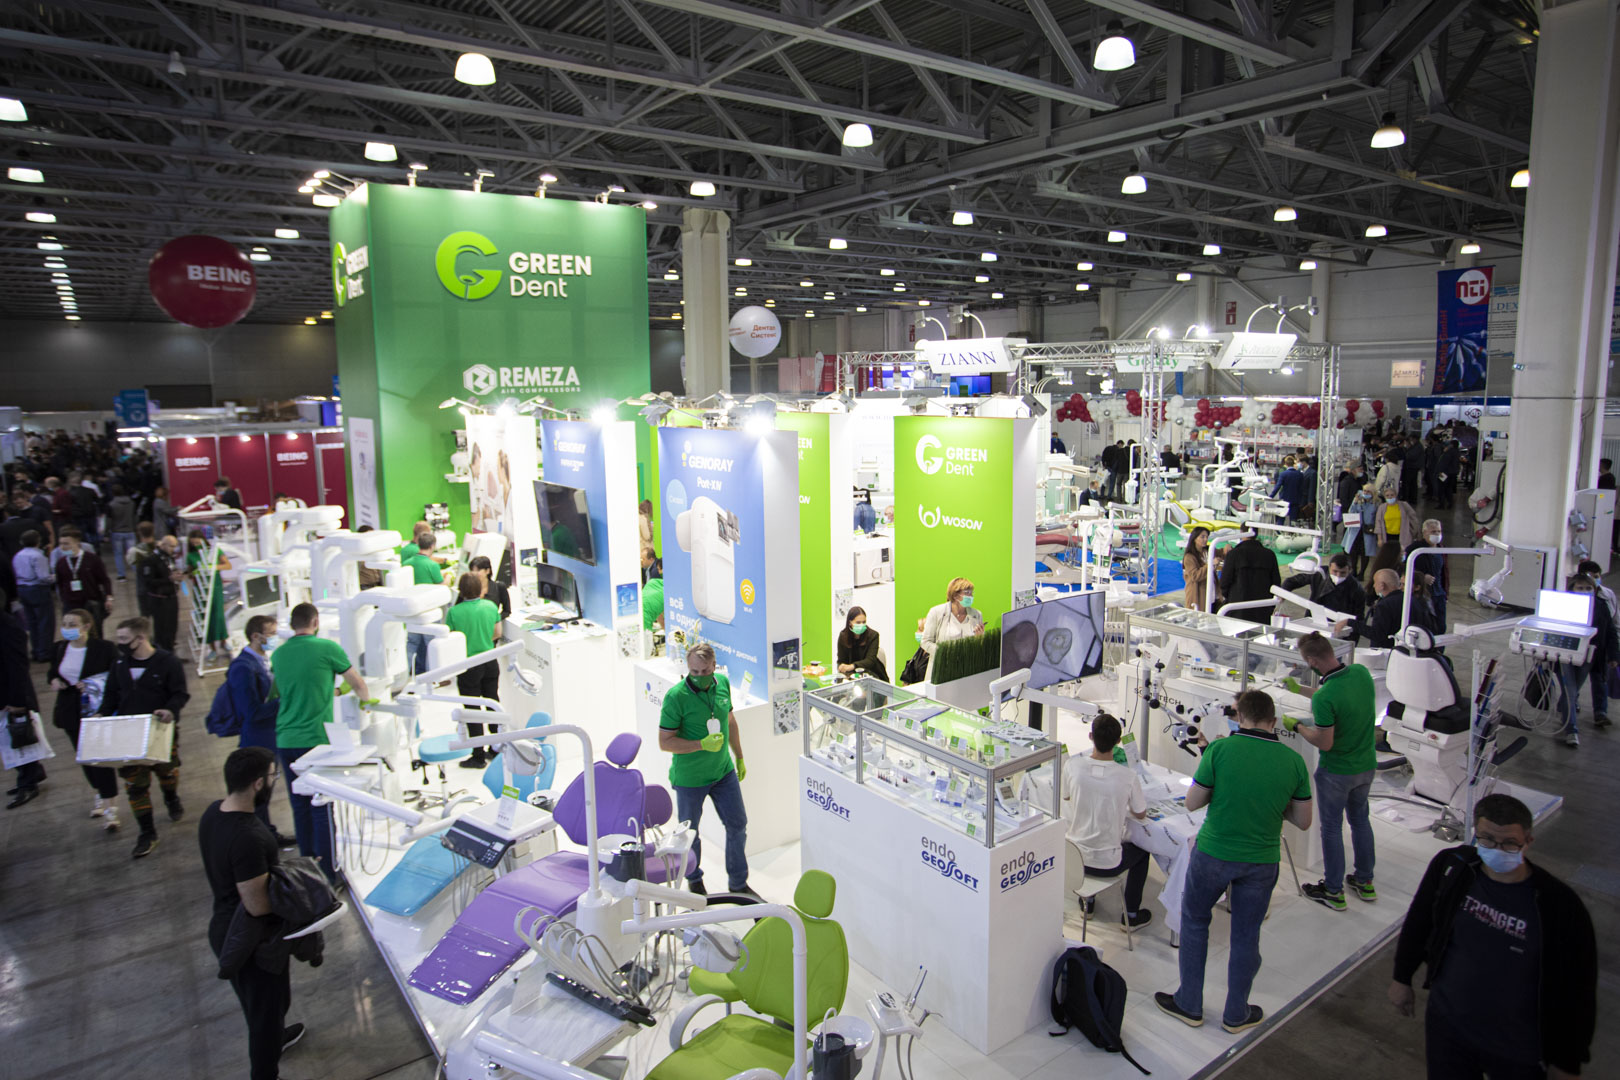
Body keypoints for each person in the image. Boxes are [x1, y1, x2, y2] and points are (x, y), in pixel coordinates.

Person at [1389, 793, 1596, 1080]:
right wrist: (1402, 977)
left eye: (1509, 843)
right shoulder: (1454, 868)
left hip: (1518, 1047)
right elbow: (1420, 920)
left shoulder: (1557, 904)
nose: (1497, 849)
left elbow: (1578, 986)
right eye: (1487, 839)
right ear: (1476, 834)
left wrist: (1568, 1061)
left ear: (1528, 841)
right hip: (1449, 1030)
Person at [1156, 690, 1312, 1034]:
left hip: (1213, 853)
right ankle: (1236, 1013)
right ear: (1273, 721)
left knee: (1195, 922)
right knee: (1246, 935)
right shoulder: (1294, 762)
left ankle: (1189, 1004)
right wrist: (1273, 805)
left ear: (1239, 717)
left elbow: (1192, 803)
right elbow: (1303, 820)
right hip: (1261, 860)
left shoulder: (1220, 750)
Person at [197, 746, 305, 1080]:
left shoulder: (213, 813)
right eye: (273, 776)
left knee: (267, 1004)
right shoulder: (248, 837)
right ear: (258, 783)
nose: (275, 781)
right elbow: (257, 904)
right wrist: (299, 897)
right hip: (250, 941)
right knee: (263, 1016)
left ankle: (276, 1037)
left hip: (225, 926)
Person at [271, 602, 368, 879]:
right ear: (315, 622)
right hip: (315, 740)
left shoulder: (278, 654)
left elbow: (287, 690)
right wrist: (367, 705)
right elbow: (358, 683)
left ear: (292, 625)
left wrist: (330, 692)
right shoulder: (327, 648)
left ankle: (307, 869)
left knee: (299, 806)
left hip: (286, 738)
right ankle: (327, 873)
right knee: (321, 805)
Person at [1284, 632, 1378, 911]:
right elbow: (1337, 697)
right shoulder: (1360, 673)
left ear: (1312, 661)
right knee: (1360, 821)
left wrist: (1298, 727)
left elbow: (1324, 741)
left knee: (1332, 829)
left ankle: (1333, 890)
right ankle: (1365, 881)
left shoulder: (1326, 697)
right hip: (1366, 765)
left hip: (1337, 771)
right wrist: (1299, 689)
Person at [659, 643, 749, 896]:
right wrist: (701, 744)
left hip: (723, 772)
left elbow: (730, 721)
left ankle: (738, 884)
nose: (699, 677)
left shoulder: (723, 684)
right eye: (694, 672)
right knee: (690, 834)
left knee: (738, 825)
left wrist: (739, 756)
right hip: (690, 778)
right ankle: (694, 879)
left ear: (714, 666)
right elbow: (665, 742)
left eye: (705, 671)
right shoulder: (676, 697)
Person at [99, 616, 190, 857]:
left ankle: (171, 797)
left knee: (167, 773)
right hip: (128, 735)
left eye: (124, 639)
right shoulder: (119, 664)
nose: (120, 643)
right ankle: (147, 832)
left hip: (160, 733)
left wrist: (170, 710)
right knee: (135, 786)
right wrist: (101, 715)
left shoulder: (168, 662)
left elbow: (180, 693)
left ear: (140, 638)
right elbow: (111, 694)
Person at [1062, 713, 1152, 928]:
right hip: (1108, 863)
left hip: (1074, 857)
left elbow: (1067, 796)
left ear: (1090, 736)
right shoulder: (1127, 777)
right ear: (1118, 742)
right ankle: (1131, 915)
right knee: (1143, 851)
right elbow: (1140, 813)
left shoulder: (1072, 766)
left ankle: (1088, 902)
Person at [47, 609, 121, 826]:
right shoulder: (60, 648)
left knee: (99, 757)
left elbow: (117, 674)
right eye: (65, 624)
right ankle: (98, 792)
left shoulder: (104, 648)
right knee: (84, 756)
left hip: (95, 708)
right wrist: (54, 680)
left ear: (87, 626)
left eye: (72, 624)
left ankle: (110, 805)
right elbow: (53, 671)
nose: (67, 628)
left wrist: (93, 684)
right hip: (70, 710)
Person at [227, 615, 292, 845]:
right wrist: (284, 701)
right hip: (257, 738)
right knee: (258, 793)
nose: (274, 638)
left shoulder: (262, 661)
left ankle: (267, 835)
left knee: (264, 792)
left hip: (269, 735)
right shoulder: (243, 668)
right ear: (256, 636)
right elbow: (251, 711)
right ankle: (262, 840)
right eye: (271, 634)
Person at [445, 572, 503, 769]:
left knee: (472, 710)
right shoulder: (491, 606)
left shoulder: (454, 612)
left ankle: (478, 755)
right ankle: (496, 748)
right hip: (490, 661)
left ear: (461, 590)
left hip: (468, 665)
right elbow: (498, 633)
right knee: (492, 703)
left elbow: (450, 639)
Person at [1554, 573, 1617, 748]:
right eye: (1580, 588)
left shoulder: (1601, 606)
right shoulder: (1562, 604)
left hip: (1589, 655)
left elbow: (1610, 631)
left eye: (1588, 588)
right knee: (1570, 691)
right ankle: (1571, 730)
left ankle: (1565, 712)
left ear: (1594, 590)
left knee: (1573, 690)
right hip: (1565, 653)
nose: (1584, 591)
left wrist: (1613, 656)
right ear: (1572, 589)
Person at [3, 608, 46, 809]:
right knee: (10, 738)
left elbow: (18, 666)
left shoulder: (8, 627)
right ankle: (32, 773)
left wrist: (18, 700)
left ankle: (28, 784)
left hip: (11, 696)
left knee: (21, 738)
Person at [1336, 568, 1430, 649]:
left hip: (1387, 651)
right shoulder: (1412, 600)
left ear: (1382, 585)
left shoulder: (1384, 605)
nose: (1373, 586)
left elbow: (1377, 634)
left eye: (1375, 582)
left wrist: (1350, 622)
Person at [919, 577, 985, 679]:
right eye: (967, 593)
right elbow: (925, 642)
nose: (971, 596)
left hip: (966, 670)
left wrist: (980, 638)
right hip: (942, 670)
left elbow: (979, 648)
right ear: (955, 595)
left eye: (972, 593)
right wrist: (945, 653)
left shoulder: (976, 614)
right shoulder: (936, 612)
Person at [54, 526, 112, 637]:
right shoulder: (61, 563)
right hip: (71, 604)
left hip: (90, 602)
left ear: (77, 542)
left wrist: (109, 597)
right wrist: (63, 600)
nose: (63, 547)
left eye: (66, 544)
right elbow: (60, 583)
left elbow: (104, 579)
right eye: (61, 544)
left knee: (95, 633)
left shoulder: (92, 559)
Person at [1217, 531, 1281, 624]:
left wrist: (1231, 597)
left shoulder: (1233, 554)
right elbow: (1276, 582)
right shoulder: (1269, 554)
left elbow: (1224, 582)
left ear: (1242, 533)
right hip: (1262, 607)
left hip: (1237, 607)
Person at [1282, 551, 1365, 623]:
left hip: (1339, 624)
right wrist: (1282, 593)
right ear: (1329, 567)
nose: (1338, 575)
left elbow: (1359, 617)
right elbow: (1293, 581)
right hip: (1314, 617)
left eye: (1343, 573)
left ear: (1350, 570)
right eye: (1335, 571)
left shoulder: (1357, 589)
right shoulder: (1319, 574)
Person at [403, 534, 445, 675]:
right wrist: (448, 579)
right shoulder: (432, 565)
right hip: (429, 610)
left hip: (411, 610)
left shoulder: (407, 563)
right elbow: (441, 586)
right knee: (431, 644)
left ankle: (405, 674)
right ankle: (431, 676)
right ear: (432, 546)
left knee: (411, 643)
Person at [187, 529, 231, 662]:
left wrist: (212, 567)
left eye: (198, 542)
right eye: (193, 544)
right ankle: (212, 648)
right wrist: (195, 572)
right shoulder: (190, 556)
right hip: (201, 589)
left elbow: (227, 565)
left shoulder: (215, 552)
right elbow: (189, 573)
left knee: (219, 615)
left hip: (215, 586)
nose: (196, 546)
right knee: (206, 618)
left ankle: (223, 641)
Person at [13, 529, 55, 662]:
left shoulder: (18, 555)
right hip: (37, 589)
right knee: (44, 622)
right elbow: (43, 577)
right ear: (38, 541)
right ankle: (44, 652)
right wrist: (55, 577)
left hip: (22, 589)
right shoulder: (38, 556)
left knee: (32, 622)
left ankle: (36, 650)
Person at [1366, 485, 1417, 588]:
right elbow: (1378, 523)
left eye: (1392, 495)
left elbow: (1413, 518)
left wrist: (1414, 532)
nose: (1390, 497)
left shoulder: (1404, 506)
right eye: (1387, 495)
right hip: (1388, 536)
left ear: (1396, 495)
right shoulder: (1382, 508)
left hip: (1402, 536)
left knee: (1403, 556)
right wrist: (1380, 538)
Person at [1405, 519, 1451, 633]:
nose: (1437, 534)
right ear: (1424, 533)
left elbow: (1444, 572)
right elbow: (1405, 569)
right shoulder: (1415, 549)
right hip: (1423, 595)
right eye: (1433, 532)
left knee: (1440, 626)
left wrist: (1445, 593)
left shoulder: (1442, 549)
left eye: (1439, 531)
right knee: (1424, 625)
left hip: (1439, 594)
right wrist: (1422, 577)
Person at [143, 534, 183, 652]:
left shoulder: (169, 558)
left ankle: (171, 653)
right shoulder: (151, 560)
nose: (173, 549)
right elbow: (148, 582)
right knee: (162, 629)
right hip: (159, 600)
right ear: (163, 545)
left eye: (175, 546)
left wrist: (177, 576)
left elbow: (171, 571)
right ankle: (162, 653)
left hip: (172, 597)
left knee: (172, 627)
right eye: (171, 546)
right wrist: (169, 579)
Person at [836, 607, 889, 682]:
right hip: (850, 676)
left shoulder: (873, 635)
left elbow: (870, 661)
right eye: (858, 622)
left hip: (873, 674)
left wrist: (853, 666)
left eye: (864, 622)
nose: (861, 625)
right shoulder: (843, 636)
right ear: (850, 622)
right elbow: (841, 660)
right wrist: (841, 667)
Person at [1343, 484, 1379, 580]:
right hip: (1355, 529)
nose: (1365, 493)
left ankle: (1362, 573)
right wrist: (1355, 502)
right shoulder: (1358, 501)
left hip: (1368, 531)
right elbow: (1350, 512)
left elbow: (1377, 517)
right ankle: (1353, 570)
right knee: (1353, 551)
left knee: (1365, 552)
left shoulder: (1376, 503)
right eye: (1364, 491)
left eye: (1368, 491)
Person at [105, 483, 137, 581]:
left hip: (117, 531)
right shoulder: (131, 503)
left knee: (118, 554)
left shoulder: (111, 505)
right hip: (130, 530)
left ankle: (121, 575)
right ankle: (137, 573)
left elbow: (109, 520)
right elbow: (134, 516)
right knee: (133, 554)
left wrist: (106, 533)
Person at [469, 554, 511, 620]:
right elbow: (458, 607)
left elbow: (507, 611)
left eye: (478, 570)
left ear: (487, 571)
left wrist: (495, 619)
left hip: (490, 624)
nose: (474, 573)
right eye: (472, 570)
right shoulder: (467, 587)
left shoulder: (499, 587)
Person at [1182, 526, 1213, 611]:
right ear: (1194, 538)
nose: (1205, 539)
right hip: (1196, 593)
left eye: (1206, 537)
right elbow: (1195, 576)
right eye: (1202, 537)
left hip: (1208, 591)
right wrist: (1210, 565)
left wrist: (1226, 549)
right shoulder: (1189, 557)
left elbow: (1220, 552)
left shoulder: (1207, 550)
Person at [129, 521, 157, 617]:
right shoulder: (159, 547)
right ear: (153, 531)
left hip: (143, 586)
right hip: (158, 587)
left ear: (139, 533)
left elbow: (131, 561)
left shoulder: (134, 550)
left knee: (145, 615)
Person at [1271, 455, 1308, 522]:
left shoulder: (1283, 474)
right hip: (1295, 500)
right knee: (1293, 520)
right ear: (1294, 463)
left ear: (1286, 464)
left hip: (1284, 499)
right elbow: (1302, 488)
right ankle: (1292, 528)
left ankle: (1279, 528)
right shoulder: (1300, 474)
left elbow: (1278, 486)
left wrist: (1271, 496)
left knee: (1281, 518)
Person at [1435, 437, 1461, 509]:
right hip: (1452, 473)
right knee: (1449, 489)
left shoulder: (1449, 452)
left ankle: (1441, 504)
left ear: (1451, 445)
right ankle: (1450, 503)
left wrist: (1439, 472)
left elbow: (1444, 463)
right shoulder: (1457, 452)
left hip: (1444, 473)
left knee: (1441, 488)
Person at [1599, 459, 1618, 554]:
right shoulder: (1610, 477)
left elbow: (1602, 493)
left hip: (1603, 506)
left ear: (1602, 465)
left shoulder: (1606, 478)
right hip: (1606, 506)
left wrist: (1600, 501)